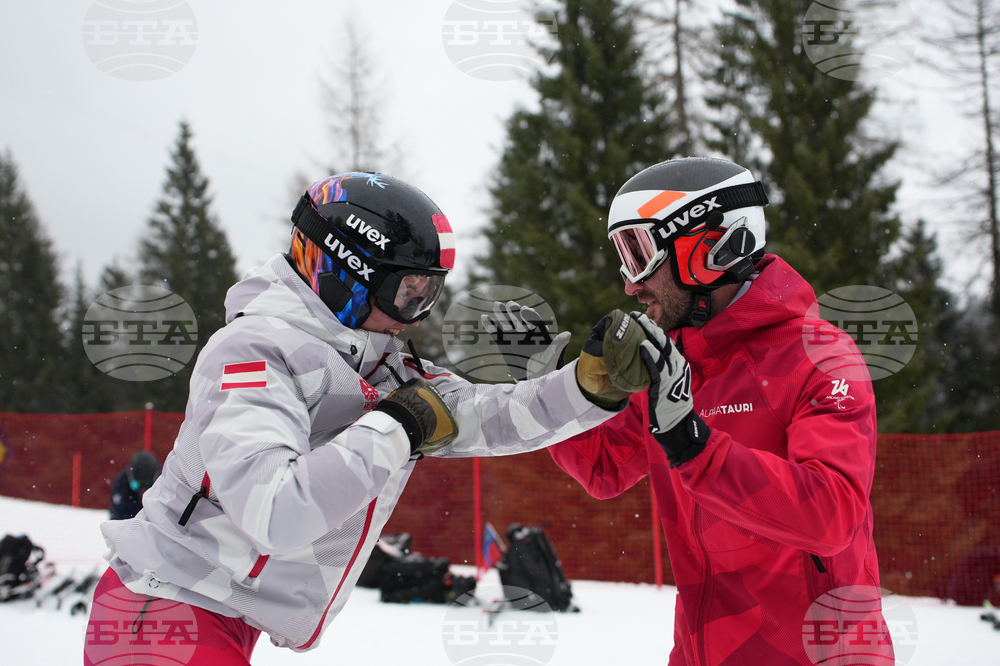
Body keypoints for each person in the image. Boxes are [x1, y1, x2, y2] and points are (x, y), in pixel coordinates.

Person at [84, 172, 639, 665]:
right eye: (407, 293)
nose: (415, 317)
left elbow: (489, 417)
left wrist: (586, 387)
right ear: (344, 273)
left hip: (215, 613)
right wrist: (397, 426)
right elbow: (271, 511)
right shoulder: (250, 353)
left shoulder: (378, 364)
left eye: (428, 294)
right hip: (162, 614)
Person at [547, 157, 893, 665]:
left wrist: (694, 447)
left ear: (708, 249)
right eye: (624, 256)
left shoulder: (820, 356)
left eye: (640, 253)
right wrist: (553, 387)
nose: (630, 286)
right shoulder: (673, 363)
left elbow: (831, 514)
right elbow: (602, 467)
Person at [107, 450, 161, 520]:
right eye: (139, 484)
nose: (143, 489)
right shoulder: (121, 484)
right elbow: (117, 514)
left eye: (147, 484)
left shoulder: (164, 480)